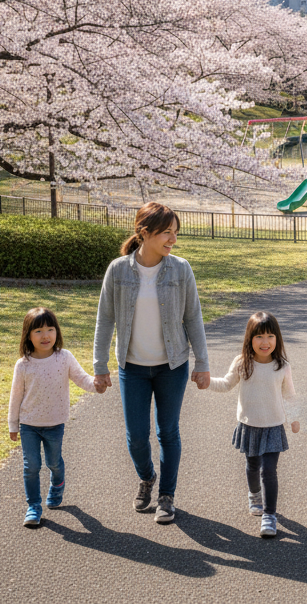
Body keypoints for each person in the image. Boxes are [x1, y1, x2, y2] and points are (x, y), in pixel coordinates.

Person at [92, 201, 209, 526]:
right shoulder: (118, 270)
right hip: (132, 368)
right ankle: (147, 477)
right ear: (144, 232)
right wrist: (100, 365)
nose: (173, 239)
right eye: (167, 232)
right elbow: (105, 319)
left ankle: (166, 496)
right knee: (136, 437)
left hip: (172, 365)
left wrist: (202, 362)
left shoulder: (181, 269)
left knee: (168, 432)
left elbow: (193, 317)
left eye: (175, 232)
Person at [8, 307, 104, 528]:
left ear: (57, 332)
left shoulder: (64, 357)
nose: (45, 336)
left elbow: (82, 378)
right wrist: (13, 424)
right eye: (38, 331)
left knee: (53, 462)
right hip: (29, 424)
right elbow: (16, 396)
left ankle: (57, 483)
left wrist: (96, 385)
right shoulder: (23, 364)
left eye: (50, 329)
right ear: (28, 335)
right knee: (31, 466)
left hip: (54, 423)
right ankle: (34, 506)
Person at [210, 312, 302, 538]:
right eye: (259, 336)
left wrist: (294, 418)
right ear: (250, 338)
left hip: (273, 426)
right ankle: (254, 495)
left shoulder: (282, 366)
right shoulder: (242, 363)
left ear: (277, 338)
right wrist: (206, 382)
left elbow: (289, 395)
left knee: (269, 470)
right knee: (252, 466)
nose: (265, 342)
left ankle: (270, 515)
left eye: (270, 336)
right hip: (250, 425)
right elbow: (226, 384)